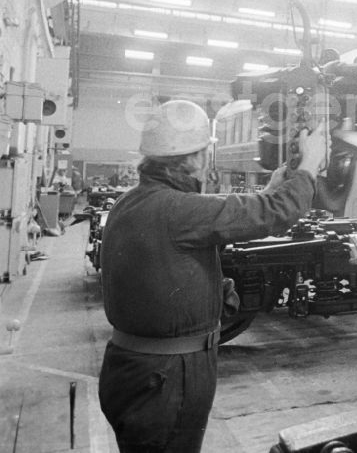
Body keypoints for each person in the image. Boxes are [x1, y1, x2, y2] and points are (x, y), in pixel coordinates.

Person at [98, 99, 327, 452]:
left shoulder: (130, 203)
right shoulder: (178, 210)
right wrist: (309, 167)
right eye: (205, 151)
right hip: (167, 378)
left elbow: (207, 224)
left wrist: (269, 189)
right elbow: (278, 212)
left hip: (135, 371)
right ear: (192, 158)